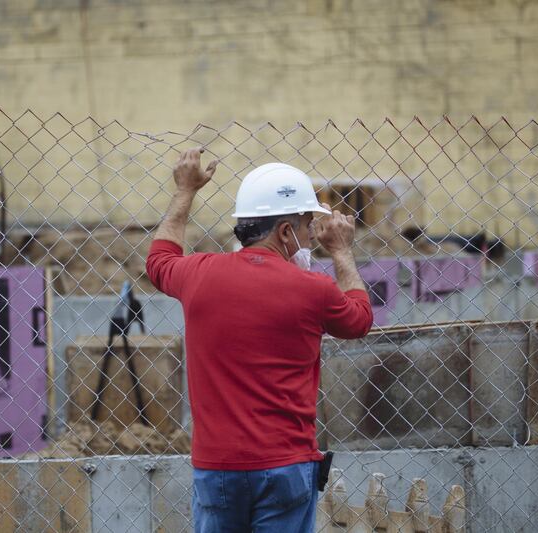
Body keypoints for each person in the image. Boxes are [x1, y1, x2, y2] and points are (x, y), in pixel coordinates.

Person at [146, 148, 373, 532]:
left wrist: (186, 190)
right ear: (285, 231)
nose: (309, 239)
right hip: (285, 465)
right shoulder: (313, 289)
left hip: (216, 467)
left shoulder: (199, 274)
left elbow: (159, 260)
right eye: (305, 228)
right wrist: (342, 251)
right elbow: (360, 318)